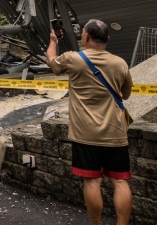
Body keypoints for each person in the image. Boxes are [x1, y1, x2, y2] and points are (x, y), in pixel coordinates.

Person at [47, 19, 133, 225]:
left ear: (85, 37)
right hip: (115, 132)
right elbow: (126, 94)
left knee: (92, 181)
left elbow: (51, 62)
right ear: (107, 39)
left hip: (85, 134)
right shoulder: (120, 63)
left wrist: (53, 41)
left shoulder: (73, 59)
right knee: (120, 181)